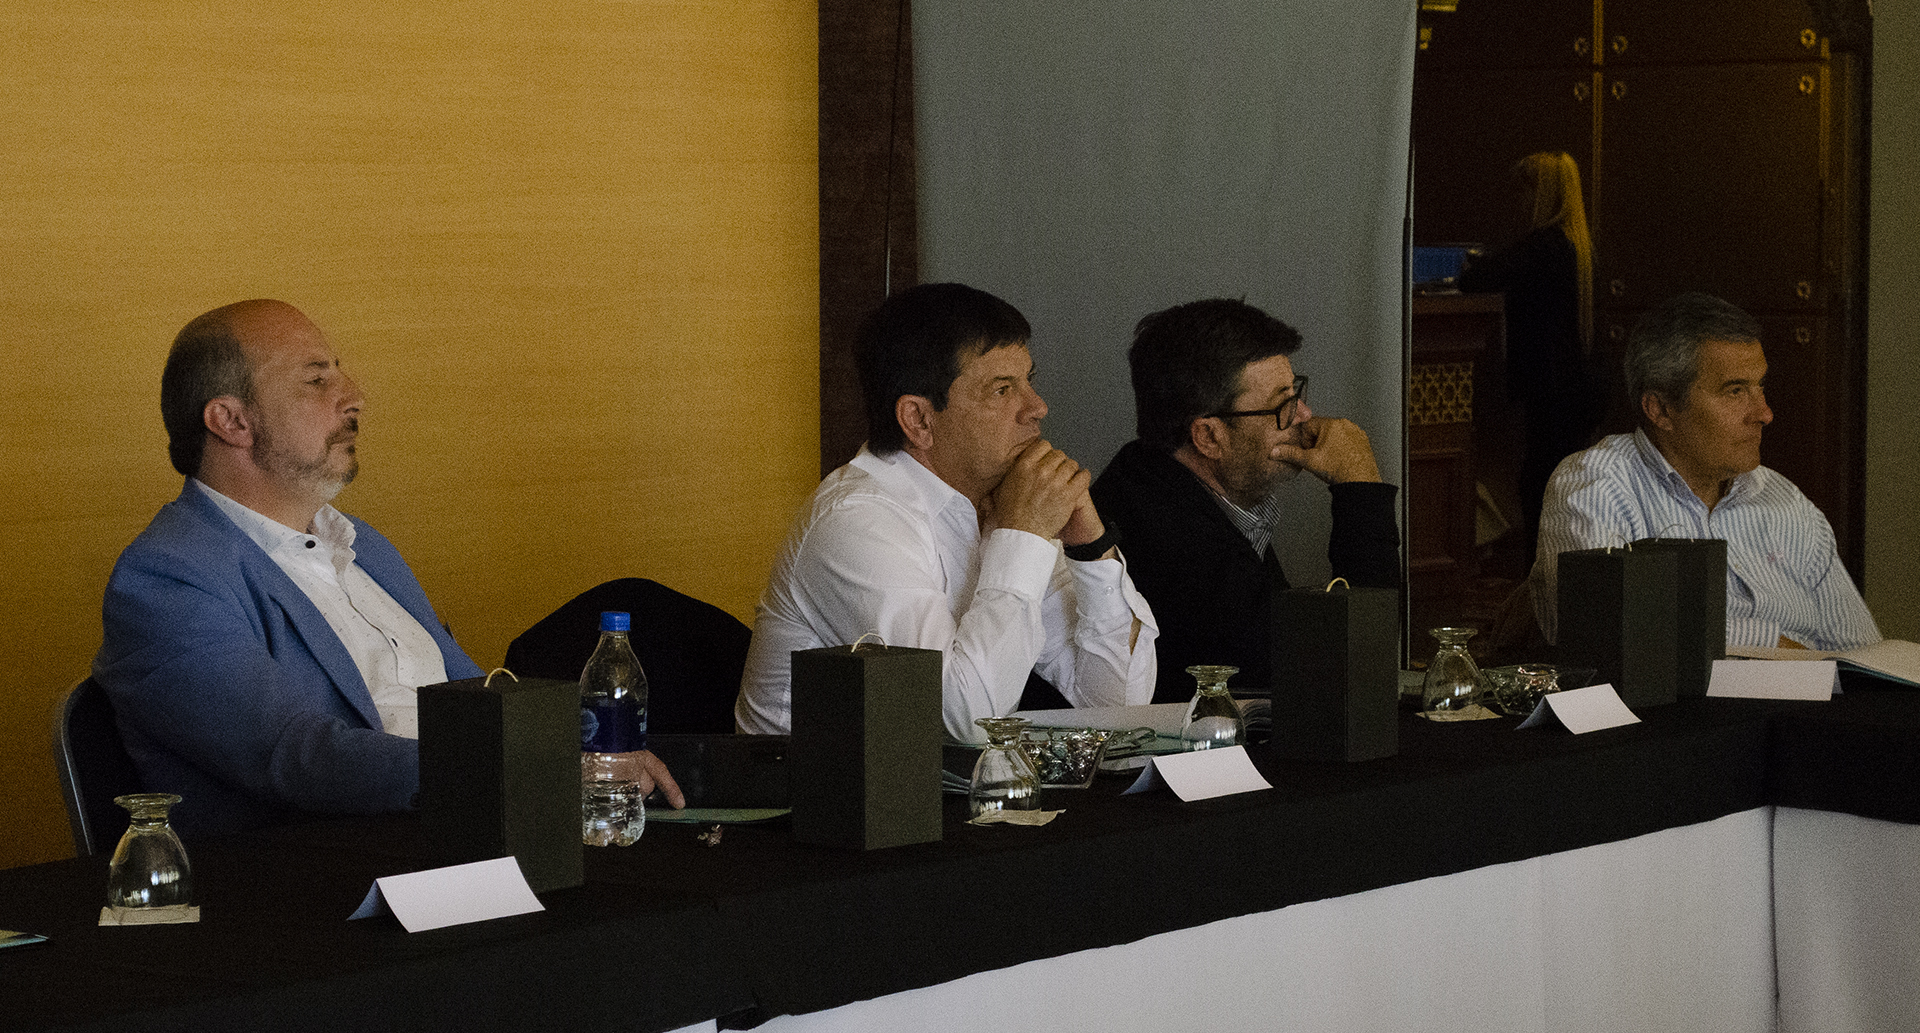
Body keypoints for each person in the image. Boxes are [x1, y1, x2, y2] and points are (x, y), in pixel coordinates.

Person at [95, 299, 682, 839]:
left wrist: (589, 756)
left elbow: (473, 700)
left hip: (471, 835)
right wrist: (521, 768)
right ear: (232, 421)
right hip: (328, 874)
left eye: (340, 373)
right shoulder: (167, 578)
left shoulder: (363, 545)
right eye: (316, 380)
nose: (353, 395)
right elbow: (293, 755)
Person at [735, 282, 1158, 740]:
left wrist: (1091, 547)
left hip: (930, 781)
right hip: (799, 783)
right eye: (1002, 390)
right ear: (919, 420)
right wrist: (1024, 536)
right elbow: (964, 722)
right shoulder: (855, 521)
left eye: (1029, 381)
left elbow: (1119, 702)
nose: (1037, 407)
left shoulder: (1002, 502)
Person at [1527, 292, 1879, 651]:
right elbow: (1610, 628)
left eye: (1760, 386)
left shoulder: (1785, 500)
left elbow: (1861, 652)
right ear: (1661, 410)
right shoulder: (1597, 486)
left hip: (1817, 686)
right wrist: (1774, 647)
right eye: (1735, 391)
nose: (1764, 413)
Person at [1089, 298, 1399, 703]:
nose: (1304, 415)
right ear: (1209, 437)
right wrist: (1361, 488)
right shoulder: (1170, 540)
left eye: (1296, 393)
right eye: (1282, 404)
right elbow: (1348, 667)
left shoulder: (1157, 481)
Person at [1459, 151, 1602, 552]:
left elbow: (1476, 279)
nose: (1516, 200)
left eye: (1522, 190)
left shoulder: (1543, 246)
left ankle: (1539, 571)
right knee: (1559, 483)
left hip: (1552, 386)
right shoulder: (1577, 246)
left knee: (1539, 485)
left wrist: (1471, 263)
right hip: (1576, 385)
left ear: (1539, 194)